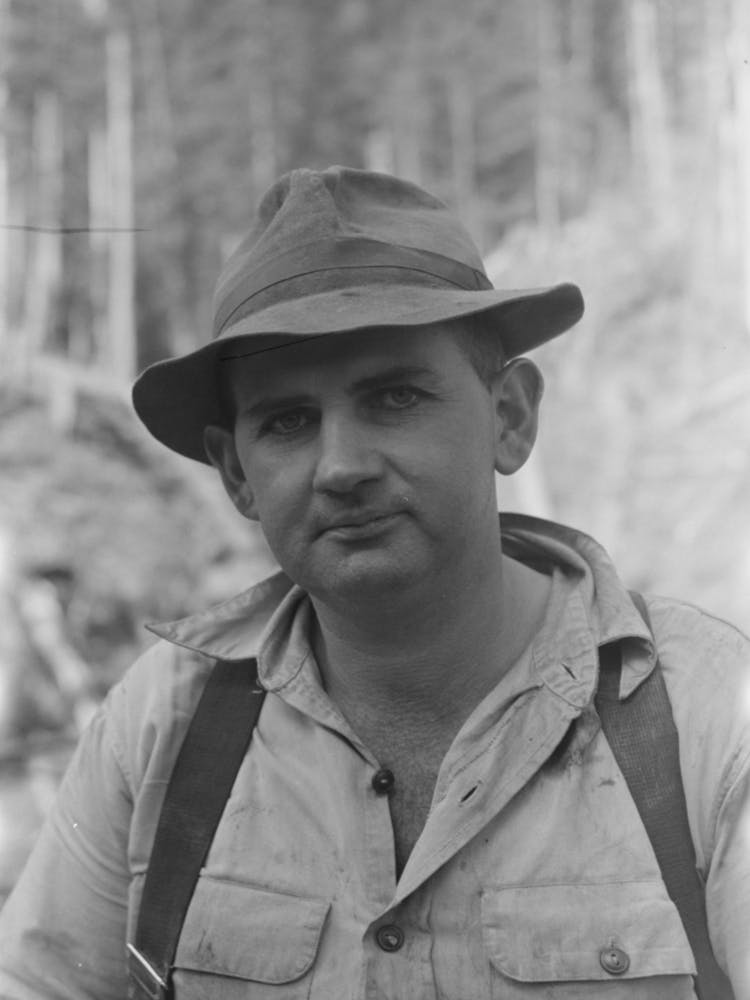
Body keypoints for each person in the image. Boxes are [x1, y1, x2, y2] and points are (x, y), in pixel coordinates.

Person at [0, 165, 748, 999]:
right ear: (236, 473)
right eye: (287, 422)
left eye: (395, 397)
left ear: (509, 417)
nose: (342, 467)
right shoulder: (166, 726)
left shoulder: (704, 716)